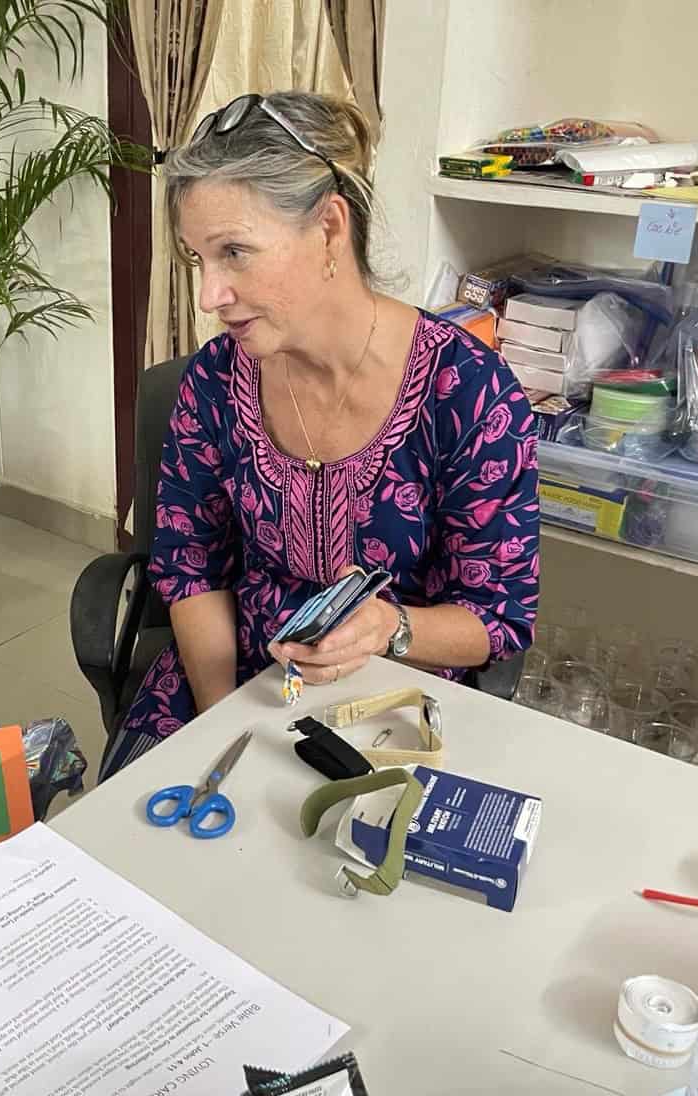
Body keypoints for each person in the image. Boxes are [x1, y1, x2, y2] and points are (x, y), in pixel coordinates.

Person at [102, 92, 539, 778]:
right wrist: (223, 727)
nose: (209, 295)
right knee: (125, 858)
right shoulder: (217, 382)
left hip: (391, 699)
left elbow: (496, 619)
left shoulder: (467, 393)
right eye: (198, 260)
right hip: (229, 680)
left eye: (235, 253)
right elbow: (192, 571)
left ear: (331, 230)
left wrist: (392, 628)